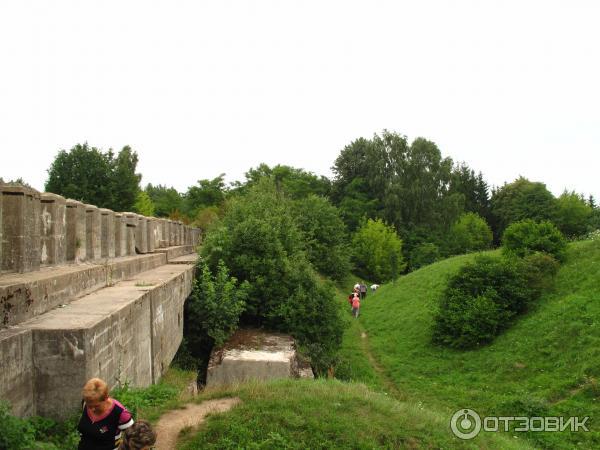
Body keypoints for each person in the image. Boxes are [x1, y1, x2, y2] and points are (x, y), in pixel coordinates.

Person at [78, 378, 134, 450]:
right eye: (89, 406)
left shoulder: (119, 413)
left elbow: (134, 437)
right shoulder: (86, 403)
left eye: (96, 406)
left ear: (106, 398)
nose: (92, 409)